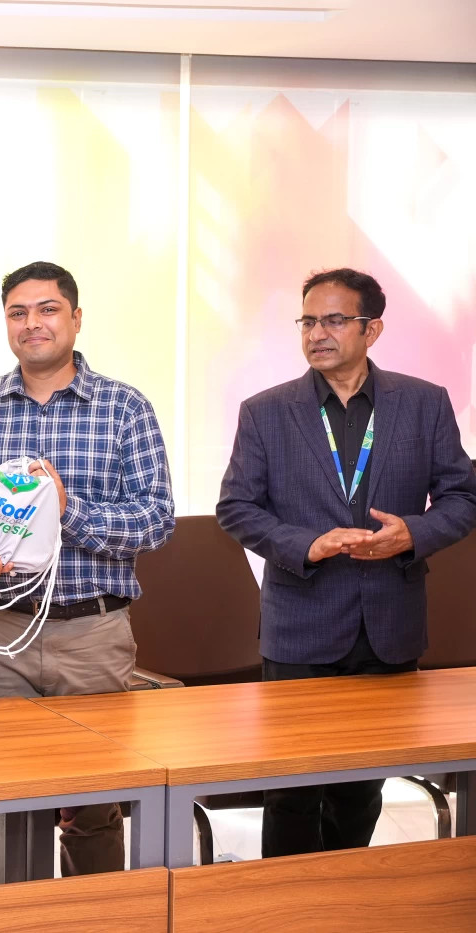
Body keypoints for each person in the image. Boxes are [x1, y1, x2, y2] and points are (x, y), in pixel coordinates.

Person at [0, 260, 175, 881]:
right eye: (18, 312)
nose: (32, 323)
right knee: (0, 805)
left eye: (47, 309)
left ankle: (97, 920)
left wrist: (67, 510)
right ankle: (9, 918)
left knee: (95, 806)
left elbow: (155, 522)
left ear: (76, 318)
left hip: (92, 635)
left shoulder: (125, 408)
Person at [216, 267, 476, 857]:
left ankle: (343, 895)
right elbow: (235, 507)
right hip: (300, 627)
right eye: (308, 321)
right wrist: (305, 545)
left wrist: (412, 534)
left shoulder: (424, 403)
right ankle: (288, 897)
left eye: (334, 320)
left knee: (361, 791)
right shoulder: (266, 411)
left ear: (371, 329)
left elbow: (463, 498)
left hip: (388, 625)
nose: (317, 333)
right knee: (290, 791)